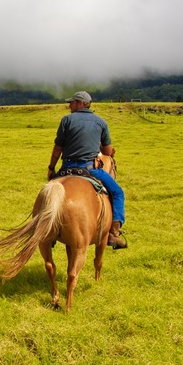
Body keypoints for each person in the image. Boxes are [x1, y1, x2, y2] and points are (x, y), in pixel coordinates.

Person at [47, 91, 128, 249]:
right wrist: (108, 151)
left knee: (50, 193)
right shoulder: (101, 122)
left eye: (72, 102)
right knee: (118, 193)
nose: (69, 105)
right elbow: (107, 152)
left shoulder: (67, 120)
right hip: (90, 169)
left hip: (66, 168)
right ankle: (114, 233)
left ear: (81, 104)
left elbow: (58, 148)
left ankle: (48, 231)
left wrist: (51, 168)